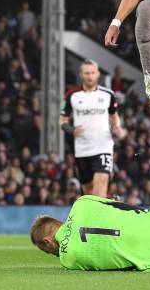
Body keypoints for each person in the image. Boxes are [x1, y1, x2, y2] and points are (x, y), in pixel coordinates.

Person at [60, 60, 124, 197]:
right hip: (82, 148)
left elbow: (114, 116)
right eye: (87, 73)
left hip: (103, 145)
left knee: (100, 181)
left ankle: (100, 217)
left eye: (92, 73)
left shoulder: (108, 94)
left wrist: (117, 127)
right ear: (81, 75)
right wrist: (71, 130)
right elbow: (62, 121)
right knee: (88, 191)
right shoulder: (71, 95)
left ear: (98, 74)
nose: (90, 76)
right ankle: (99, 210)